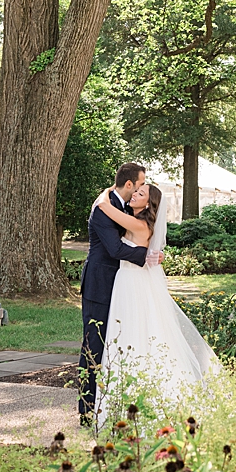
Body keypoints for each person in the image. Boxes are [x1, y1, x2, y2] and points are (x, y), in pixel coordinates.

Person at [92, 181, 218, 425]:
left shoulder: (138, 225)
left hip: (132, 282)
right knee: (128, 334)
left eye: (140, 193)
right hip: (128, 280)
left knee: (132, 334)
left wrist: (109, 189)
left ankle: (143, 402)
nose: (135, 194)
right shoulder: (136, 220)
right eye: (136, 191)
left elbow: (104, 206)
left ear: (148, 204)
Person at [78, 162, 158, 421]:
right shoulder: (103, 208)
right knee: (94, 347)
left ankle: (113, 403)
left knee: (118, 344)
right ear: (129, 185)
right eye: (139, 185)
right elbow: (115, 250)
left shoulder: (121, 208)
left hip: (122, 286)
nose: (140, 189)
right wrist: (148, 255)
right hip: (99, 285)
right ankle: (86, 411)